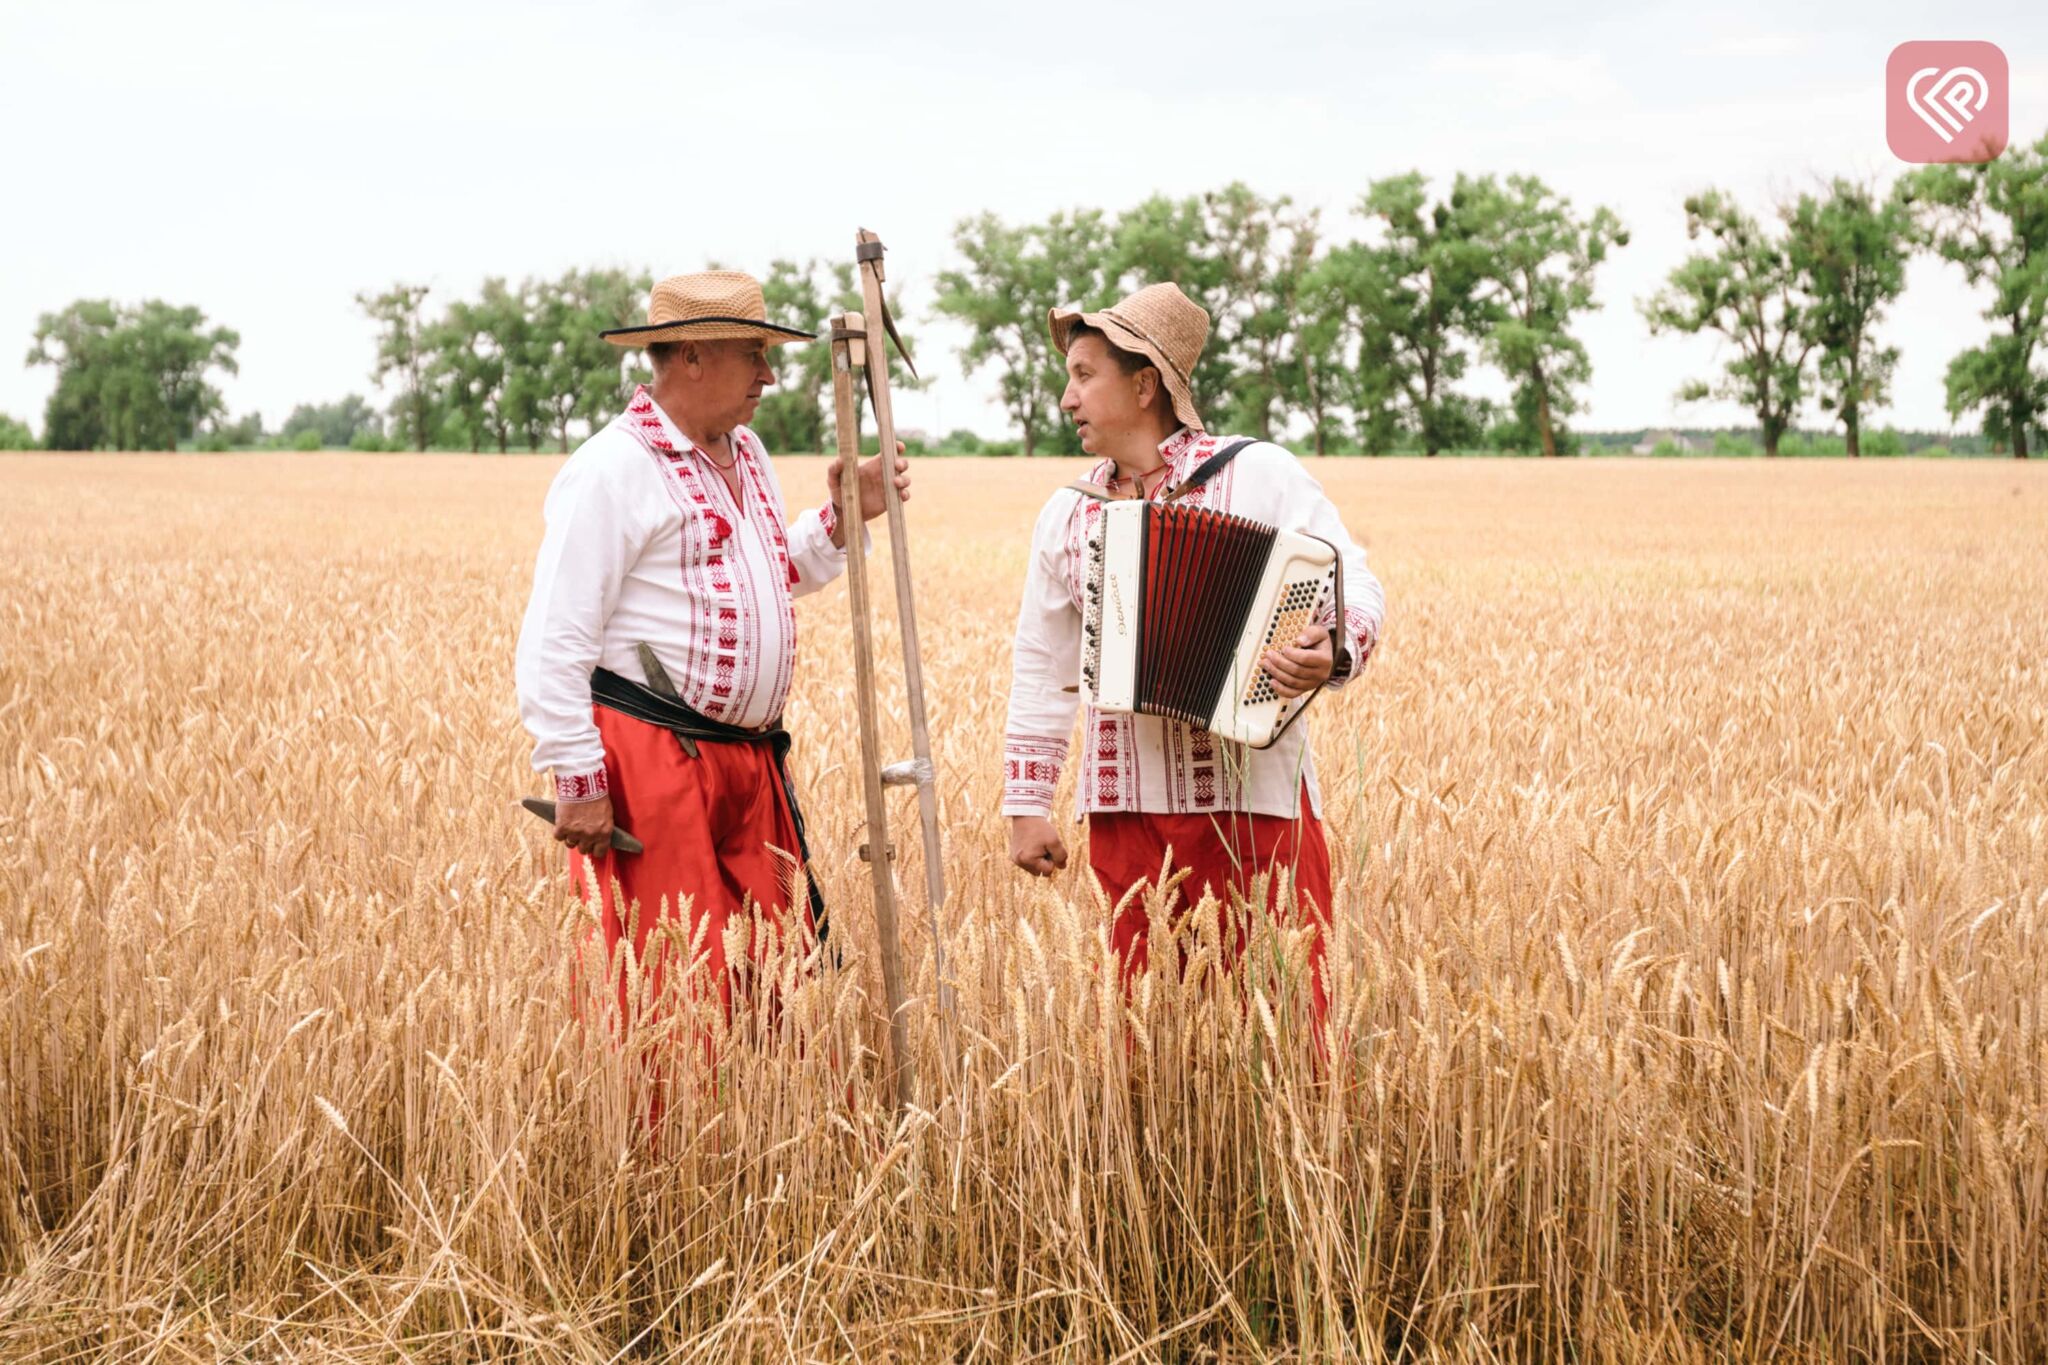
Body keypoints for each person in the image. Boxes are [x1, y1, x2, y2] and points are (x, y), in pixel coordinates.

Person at [515, 270, 907, 1028]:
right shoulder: (612, 469)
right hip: (654, 762)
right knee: (677, 993)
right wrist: (578, 773)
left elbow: (769, 571)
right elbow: (556, 636)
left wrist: (843, 514)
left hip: (751, 764)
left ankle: (771, 1141)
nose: (769, 373)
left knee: (772, 986)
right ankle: (675, 1147)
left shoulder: (747, 452)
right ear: (692, 355)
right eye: (753, 353)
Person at [1002, 282, 1384, 1027]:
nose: (1065, 398)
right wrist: (1026, 804)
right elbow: (1042, 667)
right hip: (1127, 809)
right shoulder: (1067, 514)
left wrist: (1332, 647)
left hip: (1258, 805)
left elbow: (1353, 577)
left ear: (1145, 383)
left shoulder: (1260, 475)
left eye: (1084, 375)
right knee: (1149, 1031)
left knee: (1286, 1024)